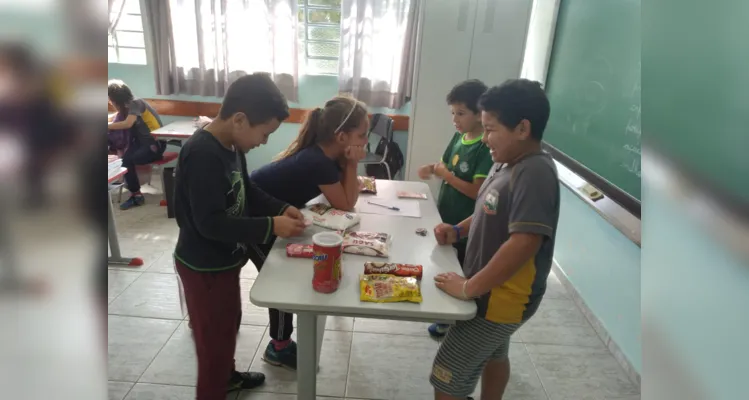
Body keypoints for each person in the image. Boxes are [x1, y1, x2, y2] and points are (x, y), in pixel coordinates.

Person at [172, 73, 307, 399]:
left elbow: (248, 190)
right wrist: (270, 226)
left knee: (228, 325)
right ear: (240, 119)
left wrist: (282, 207)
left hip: (226, 260)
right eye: (265, 133)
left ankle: (228, 377)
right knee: (212, 346)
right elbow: (210, 224)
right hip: (203, 266)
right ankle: (214, 389)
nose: (264, 141)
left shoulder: (232, 144)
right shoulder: (203, 154)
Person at [430, 79, 560, 400]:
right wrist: (458, 229)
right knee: (495, 354)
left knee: (446, 377)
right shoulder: (505, 162)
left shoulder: (534, 172)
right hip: (492, 289)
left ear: (522, 128)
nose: (484, 138)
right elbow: (489, 209)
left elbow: (524, 243)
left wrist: (468, 288)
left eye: (491, 129)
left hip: (503, 296)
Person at [245, 95, 369, 370]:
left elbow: (348, 197)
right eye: (361, 135)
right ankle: (278, 347)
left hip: (271, 213)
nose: (365, 141)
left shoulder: (326, 156)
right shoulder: (319, 161)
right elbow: (347, 203)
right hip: (252, 219)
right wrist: (352, 164)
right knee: (277, 285)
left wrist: (349, 168)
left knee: (281, 279)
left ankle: (279, 343)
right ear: (341, 137)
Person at [417, 79, 492, 339]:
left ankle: (452, 320)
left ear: (480, 114)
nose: (455, 119)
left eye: (461, 113)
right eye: (452, 113)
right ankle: (445, 314)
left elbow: (477, 191)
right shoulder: (460, 137)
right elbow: (444, 163)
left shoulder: (486, 146)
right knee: (443, 264)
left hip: (466, 225)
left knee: (459, 269)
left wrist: (446, 176)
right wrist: (431, 168)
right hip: (446, 216)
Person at [107, 79, 165, 210]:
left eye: (110, 99)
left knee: (129, 160)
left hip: (155, 144)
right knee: (124, 160)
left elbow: (128, 123)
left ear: (116, 97)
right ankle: (135, 193)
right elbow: (116, 116)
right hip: (141, 144)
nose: (110, 102)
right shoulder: (126, 107)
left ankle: (136, 195)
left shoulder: (135, 103)